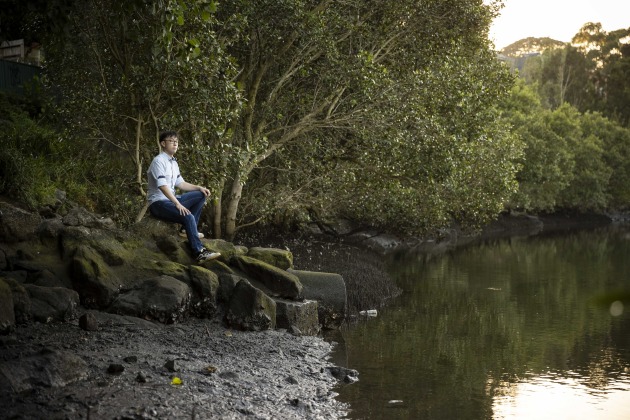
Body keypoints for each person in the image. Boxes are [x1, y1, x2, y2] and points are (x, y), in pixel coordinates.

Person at [147, 130, 220, 262]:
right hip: (158, 203)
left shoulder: (173, 163)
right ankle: (199, 252)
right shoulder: (158, 161)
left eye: (176, 141)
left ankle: (186, 231)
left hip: (170, 201)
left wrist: (199, 187)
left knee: (200, 195)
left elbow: (180, 183)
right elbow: (162, 186)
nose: (175, 144)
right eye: (171, 141)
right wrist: (177, 203)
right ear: (163, 144)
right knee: (187, 215)